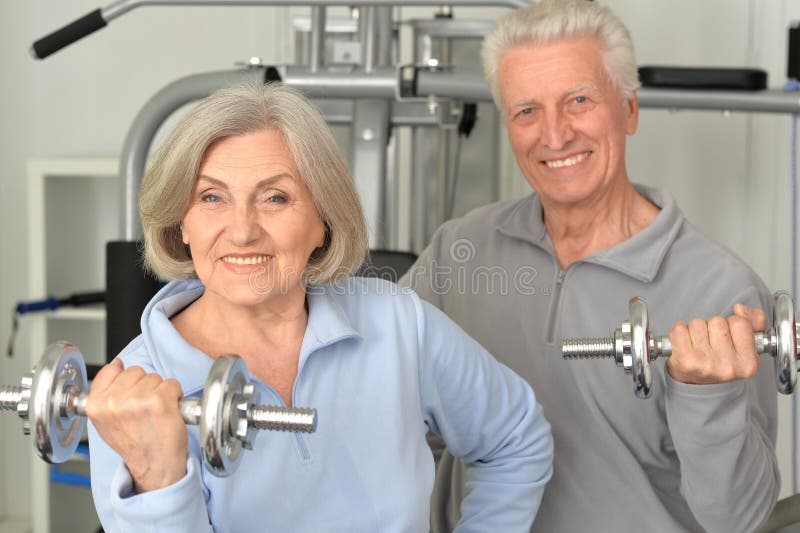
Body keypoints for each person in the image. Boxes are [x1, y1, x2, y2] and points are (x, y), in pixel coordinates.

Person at [85, 82, 554, 532]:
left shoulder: (397, 322)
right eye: (212, 198)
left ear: (323, 221)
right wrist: (157, 478)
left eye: (275, 197)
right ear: (181, 223)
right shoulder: (134, 395)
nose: (243, 230)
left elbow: (517, 436)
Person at [400, 1, 780, 531]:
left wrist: (706, 396)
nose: (554, 136)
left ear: (628, 109)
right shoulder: (460, 251)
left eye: (578, 100)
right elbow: (382, 404)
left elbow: (739, 519)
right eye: (526, 111)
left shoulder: (722, 291)